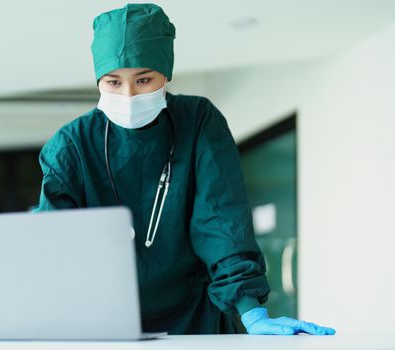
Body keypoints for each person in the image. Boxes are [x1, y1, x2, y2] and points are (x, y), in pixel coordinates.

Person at [35, 3, 335, 336]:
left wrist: (251, 311)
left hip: (194, 317)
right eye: (114, 82)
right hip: (102, 319)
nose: (129, 95)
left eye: (144, 79)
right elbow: (55, 242)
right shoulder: (71, 145)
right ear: (99, 82)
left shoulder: (199, 121)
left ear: (166, 73)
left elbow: (221, 219)